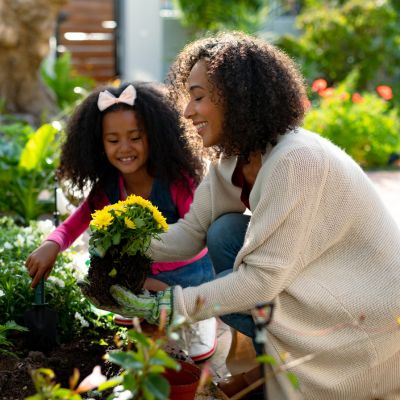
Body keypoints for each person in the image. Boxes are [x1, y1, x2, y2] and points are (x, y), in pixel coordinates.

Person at [82, 32, 400, 400]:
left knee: (237, 274)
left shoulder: (295, 160)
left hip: (364, 312)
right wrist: (124, 242)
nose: (187, 111)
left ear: (237, 98)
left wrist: (170, 305)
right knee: (224, 232)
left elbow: (260, 283)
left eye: (198, 97)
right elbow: (189, 234)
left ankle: (281, 372)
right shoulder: (233, 159)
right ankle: (268, 369)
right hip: (320, 279)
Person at [25, 81, 218, 362]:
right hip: (143, 278)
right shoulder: (109, 187)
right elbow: (74, 224)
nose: (124, 148)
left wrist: (153, 278)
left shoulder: (177, 182)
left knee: (178, 349)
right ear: (99, 145)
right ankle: (146, 314)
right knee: (103, 278)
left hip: (185, 276)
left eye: (135, 137)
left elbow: (200, 239)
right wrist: (51, 245)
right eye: (113, 140)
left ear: (155, 136)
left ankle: (192, 319)